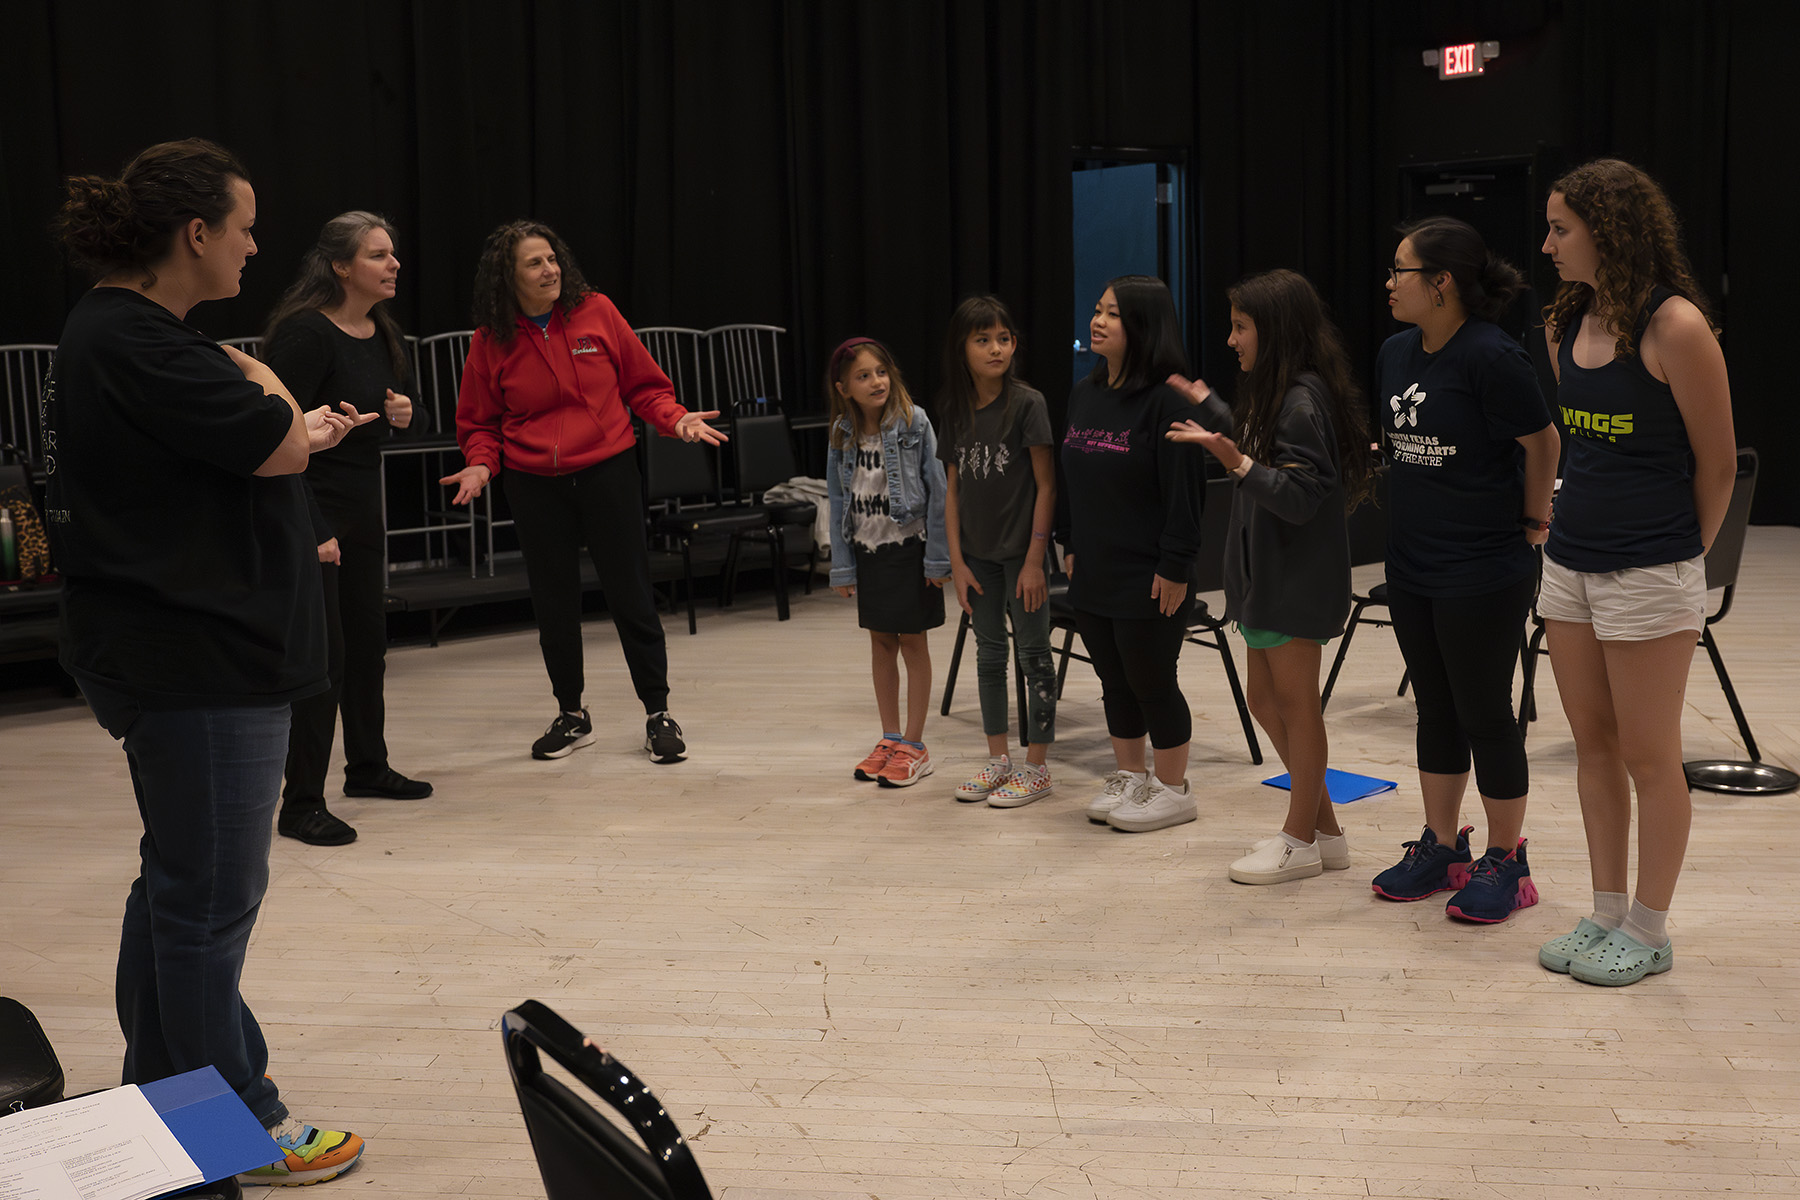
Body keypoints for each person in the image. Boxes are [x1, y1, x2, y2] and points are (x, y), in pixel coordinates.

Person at [46, 138, 370, 1186]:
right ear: (196, 234)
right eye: (244, 226)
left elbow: (253, 447)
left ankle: (166, 1109)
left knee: (180, 894)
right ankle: (228, 1130)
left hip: (202, 659)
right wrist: (268, 381)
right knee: (205, 907)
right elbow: (275, 439)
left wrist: (266, 401)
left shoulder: (143, 334)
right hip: (196, 665)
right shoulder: (136, 338)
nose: (255, 245)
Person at [1535, 160, 1736, 986]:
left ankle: (1650, 928)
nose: (1546, 244)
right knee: (1594, 744)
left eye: (1560, 228)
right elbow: (1578, 452)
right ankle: (1607, 911)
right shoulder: (1563, 324)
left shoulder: (1677, 327)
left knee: (1651, 756)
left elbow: (1717, 467)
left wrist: (1677, 558)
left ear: (1607, 231)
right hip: (1570, 564)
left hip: (1650, 570)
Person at [441, 221, 724, 763]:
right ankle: (572, 714)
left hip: (606, 471)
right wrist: (480, 465)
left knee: (631, 594)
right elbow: (480, 422)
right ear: (508, 275)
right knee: (555, 604)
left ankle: (658, 712)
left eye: (552, 259)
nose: (550, 270)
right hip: (532, 484)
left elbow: (645, 387)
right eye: (534, 263)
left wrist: (674, 419)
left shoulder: (597, 311)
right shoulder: (490, 339)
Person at [1370, 217, 1560, 922]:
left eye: (1401, 270)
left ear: (1442, 282)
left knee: (1485, 711)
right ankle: (1444, 846)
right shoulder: (1394, 352)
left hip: (1484, 565)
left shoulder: (1492, 356)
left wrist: (1534, 524)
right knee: (1435, 706)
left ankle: (1508, 860)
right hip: (1414, 560)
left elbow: (1543, 444)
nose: (1389, 283)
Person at [1166, 269, 1373, 883]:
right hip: (1265, 580)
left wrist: (1233, 460)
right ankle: (1327, 834)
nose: (1231, 340)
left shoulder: (1303, 399)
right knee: (1264, 700)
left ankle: (1299, 838)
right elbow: (1263, 444)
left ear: (1274, 331)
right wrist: (1215, 411)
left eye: (1240, 327)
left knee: (1296, 706)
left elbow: (1302, 493)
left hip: (1294, 582)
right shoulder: (1277, 392)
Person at [262, 212, 432, 847]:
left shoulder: (378, 330)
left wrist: (402, 414)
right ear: (341, 265)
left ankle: (368, 767)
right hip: (315, 510)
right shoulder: (305, 335)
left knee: (367, 645)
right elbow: (278, 435)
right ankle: (301, 801)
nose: (392, 265)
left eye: (393, 254)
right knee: (324, 661)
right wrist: (311, 526)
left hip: (363, 510)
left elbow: (373, 421)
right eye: (378, 255)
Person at [1062, 276, 1222, 833]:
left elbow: (1186, 494)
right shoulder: (1085, 393)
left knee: (1151, 680)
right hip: (1095, 566)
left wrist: (1176, 565)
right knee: (1113, 680)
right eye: (1098, 309)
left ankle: (1174, 788)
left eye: (1114, 314)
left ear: (1144, 326)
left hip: (1151, 572)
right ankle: (1131, 776)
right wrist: (1071, 544)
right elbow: (1074, 482)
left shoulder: (1167, 401)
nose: (1098, 321)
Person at [937, 297, 1058, 807]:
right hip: (978, 559)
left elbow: (1047, 487)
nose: (996, 348)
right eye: (983, 339)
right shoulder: (953, 409)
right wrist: (957, 563)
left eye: (1004, 338)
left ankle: (1037, 767)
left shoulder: (1028, 403)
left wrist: (1034, 560)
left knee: (1034, 655)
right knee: (989, 655)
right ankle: (998, 759)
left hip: (1021, 558)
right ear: (961, 348)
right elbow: (952, 492)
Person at [825, 337, 950, 787]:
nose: (876, 381)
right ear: (845, 388)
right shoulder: (842, 431)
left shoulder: (914, 422)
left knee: (913, 643)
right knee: (881, 643)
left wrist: (938, 559)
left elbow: (938, 492)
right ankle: (890, 737)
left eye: (881, 371)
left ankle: (915, 744)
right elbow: (838, 499)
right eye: (863, 376)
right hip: (868, 550)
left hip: (910, 549)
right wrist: (842, 564)